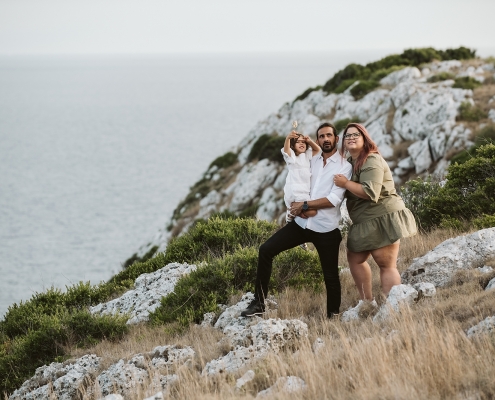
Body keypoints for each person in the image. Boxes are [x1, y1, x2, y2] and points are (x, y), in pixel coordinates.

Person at [240, 123, 353, 318]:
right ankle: (259, 303)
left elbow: (334, 200)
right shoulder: (312, 159)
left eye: (329, 135)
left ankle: (333, 317)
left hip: (326, 229)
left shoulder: (344, 166)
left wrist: (305, 205)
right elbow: (295, 166)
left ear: (336, 139)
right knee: (266, 250)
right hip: (301, 224)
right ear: (317, 140)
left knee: (331, 277)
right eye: (321, 136)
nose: (325, 139)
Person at [333, 123, 417, 302]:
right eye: (347, 136)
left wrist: (346, 184)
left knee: (386, 264)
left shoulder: (371, 159)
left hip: (381, 216)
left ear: (365, 138)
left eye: (356, 134)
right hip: (363, 221)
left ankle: (392, 307)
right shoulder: (349, 163)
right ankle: (367, 303)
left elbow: (370, 192)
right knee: (355, 258)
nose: (351, 138)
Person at [282, 130, 321, 222]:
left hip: (304, 190)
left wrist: (310, 141)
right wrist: (288, 138)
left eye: (303, 142)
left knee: (312, 211)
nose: (301, 143)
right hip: (295, 191)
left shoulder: (306, 155)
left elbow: (318, 150)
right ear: (293, 146)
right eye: (298, 142)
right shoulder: (292, 158)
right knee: (313, 212)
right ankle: (291, 213)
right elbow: (286, 151)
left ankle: (294, 213)